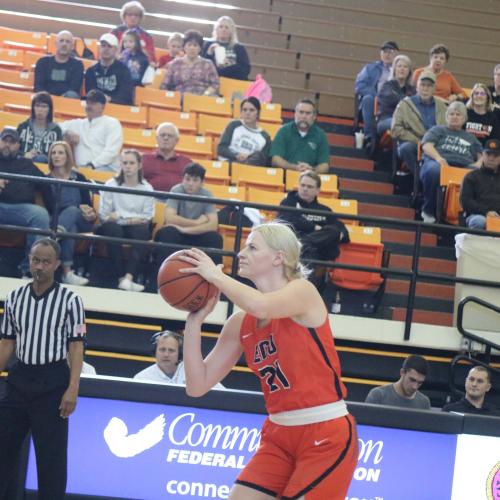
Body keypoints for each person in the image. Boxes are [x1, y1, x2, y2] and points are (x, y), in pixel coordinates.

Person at [179, 222, 358, 498]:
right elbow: (196, 385)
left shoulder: (303, 292)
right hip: (278, 433)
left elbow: (261, 305)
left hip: (326, 433)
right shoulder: (239, 323)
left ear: (279, 257)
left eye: (252, 247)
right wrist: (194, 321)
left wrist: (216, 277)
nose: (241, 253)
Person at [0, 238, 86, 500]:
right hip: (20, 377)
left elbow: (76, 348)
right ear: (29, 259)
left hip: (53, 382)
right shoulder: (15, 297)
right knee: (3, 452)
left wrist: (73, 388)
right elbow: (6, 343)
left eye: (46, 261)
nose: (40, 266)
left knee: (51, 460)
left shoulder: (71, 300)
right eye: (35, 259)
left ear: (57, 264)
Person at [95, 149, 154, 292]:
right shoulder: (111, 184)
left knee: (142, 231)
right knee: (112, 228)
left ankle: (128, 277)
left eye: (132, 163)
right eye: (125, 163)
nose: (128, 166)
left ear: (139, 165)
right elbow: (104, 214)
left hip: (135, 226)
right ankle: (122, 277)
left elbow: (148, 216)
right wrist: (119, 218)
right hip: (114, 226)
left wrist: (128, 219)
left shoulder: (147, 188)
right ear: (120, 164)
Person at [153, 163, 223, 280]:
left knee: (215, 238)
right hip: (177, 233)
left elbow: (212, 225)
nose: (190, 183)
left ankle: (214, 282)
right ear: (183, 179)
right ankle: (160, 279)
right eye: (187, 179)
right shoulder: (176, 190)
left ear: (202, 182)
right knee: (167, 233)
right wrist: (196, 222)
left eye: (195, 180)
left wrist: (185, 229)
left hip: (195, 234)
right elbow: (170, 218)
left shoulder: (207, 194)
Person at [0, 127, 52, 278]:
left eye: (12, 142)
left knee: (40, 214)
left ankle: (30, 270)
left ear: (18, 146)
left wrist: (56, 213)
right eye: (4, 141)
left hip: (21, 210)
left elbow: (46, 184)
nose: (8, 145)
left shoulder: (26, 164)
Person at [420, 101, 482, 222]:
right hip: (439, 163)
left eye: (458, 114)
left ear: (464, 119)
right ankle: (429, 211)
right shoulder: (438, 130)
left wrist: (477, 164)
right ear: (447, 116)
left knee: (476, 175)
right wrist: (439, 158)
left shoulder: (470, 137)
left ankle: (465, 216)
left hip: (463, 167)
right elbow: (426, 146)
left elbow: (482, 156)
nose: (454, 116)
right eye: (451, 114)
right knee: (434, 171)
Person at [46, 141, 96, 286]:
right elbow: (50, 208)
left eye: (60, 153)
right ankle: (68, 273)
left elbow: (88, 205)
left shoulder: (79, 177)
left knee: (73, 211)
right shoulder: (46, 180)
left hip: (81, 220)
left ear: (68, 156)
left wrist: (90, 213)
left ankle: (52, 240)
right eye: (53, 153)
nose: (56, 156)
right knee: (70, 228)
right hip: (58, 221)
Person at [278, 170, 348, 262]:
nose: (305, 189)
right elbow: (288, 220)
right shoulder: (288, 202)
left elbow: (342, 231)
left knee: (333, 232)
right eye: (302, 185)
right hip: (291, 246)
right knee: (308, 250)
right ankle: (303, 245)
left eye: (309, 187)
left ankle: (303, 244)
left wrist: (339, 234)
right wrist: (315, 227)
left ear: (317, 191)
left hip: (313, 250)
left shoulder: (325, 210)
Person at [391, 70, 447, 176]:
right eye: (422, 85)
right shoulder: (405, 104)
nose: (425, 88)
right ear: (417, 87)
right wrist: (421, 142)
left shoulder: (443, 107)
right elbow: (396, 129)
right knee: (405, 148)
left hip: (437, 145)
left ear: (434, 89)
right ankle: (421, 178)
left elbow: (448, 129)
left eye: (429, 86)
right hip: (414, 143)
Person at [60, 89, 123, 172]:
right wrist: (67, 132)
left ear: (103, 106)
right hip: (82, 170)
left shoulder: (112, 123)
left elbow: (112, 151)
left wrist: (92, 165)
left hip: (106, 168)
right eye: (87, 103)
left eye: (93, 103)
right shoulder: (78, 123)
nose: (89, 106)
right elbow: (55, 126)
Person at [355, 41, 399, 147]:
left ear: (397, 54)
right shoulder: (370, 68)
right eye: (384, 51)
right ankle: (369, 136)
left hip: (394, 102)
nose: (387, 54)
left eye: (391, 52)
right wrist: (377, 95)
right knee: (368, 99)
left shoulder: (401, 69)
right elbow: (360, 86)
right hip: (375, 100)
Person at [270, 99, 330, 173]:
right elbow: (275, 160)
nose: (304, 116)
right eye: (301, 112)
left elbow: (325, 166)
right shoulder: (284, 131)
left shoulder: (320, 135)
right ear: (295, 114)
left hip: (310, 179)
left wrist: (311, 170)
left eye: (308, 113)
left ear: (314, 116)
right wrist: (295, 167)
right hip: (285, 178)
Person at [160, 30, 219, 96]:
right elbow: (164, 85)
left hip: (203, 100)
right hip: (179, 100)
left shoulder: (208, 64)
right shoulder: (175, 64)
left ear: (200, 48)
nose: (192, 48)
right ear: (184, 47)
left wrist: (205, 95)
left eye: (195, 45)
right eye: (189, 45)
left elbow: (215, 84)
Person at [217, 97, 271, 166]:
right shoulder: (234, 125)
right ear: (241, 112)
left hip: (250, 169)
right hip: (231, 163)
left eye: (251, 110)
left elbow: (264, 160)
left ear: (258, 113)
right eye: (244, 110)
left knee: (259, 156)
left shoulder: (265, 136)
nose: (247, 113)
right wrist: (236, 155)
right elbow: (221, 149)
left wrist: (248, 157)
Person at [460, 138, 500, 229]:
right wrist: (486, 212)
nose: (491, 158)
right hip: (478, 215)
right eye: (488, 154)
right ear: (482, 155)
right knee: (479, 221)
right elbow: (466, 201)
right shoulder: (471, 176)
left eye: (496, 155)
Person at [365, 355, 431, 409]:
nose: (415, 387)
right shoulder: (378, 395)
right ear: (402, 372)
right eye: (412, 380)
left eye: (420, 383)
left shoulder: (424, 403)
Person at [85, 33, 134, 105]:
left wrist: (110, 99)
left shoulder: (124, 71)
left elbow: (126, 96)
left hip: (118, 108)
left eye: (110, 46)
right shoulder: (91, 71)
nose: (106, 49)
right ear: (99, 48)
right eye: (103, 46)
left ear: (116, 50)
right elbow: (90, 93)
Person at [142, 122, 192, 193]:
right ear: (157, 138)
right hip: (150, 201)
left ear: (177, 140)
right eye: (162, 135)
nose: (166, 138)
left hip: (178, 202)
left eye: (170, 136)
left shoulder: (187, 163)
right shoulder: (144, 159)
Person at [34, 30, 84, 99]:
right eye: (61, 41)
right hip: (45, 101)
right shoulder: (43, 62)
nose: (64, 44)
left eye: (67, 41)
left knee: (72, 95)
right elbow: (38, 86)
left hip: (66, 101)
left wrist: (58, 100)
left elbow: (74, 89)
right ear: (56, 44)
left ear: (72, 46)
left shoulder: (77, 65)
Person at [16, 91, 63, 163]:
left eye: (44, 106)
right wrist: (24, 154)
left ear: (49, 109)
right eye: (37, 106)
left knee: (41, 158)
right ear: (33, 108)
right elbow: (14, 149)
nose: (40, 109)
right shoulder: (22, 127)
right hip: (24, 163)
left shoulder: (56, 130)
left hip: (47, 166)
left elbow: (60, 154)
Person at [376, 54, 415, 138]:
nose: (402, 69)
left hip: (406, 122)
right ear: (394, 69)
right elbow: (392, 99)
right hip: (386, 120)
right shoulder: (387, 86)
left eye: (405, 67)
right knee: (399, 124)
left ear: (409, 71)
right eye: (399, 66)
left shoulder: (412, 90)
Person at [202, 16, 251, 81]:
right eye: (221, 27)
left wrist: (225, 68)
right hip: (212, 82)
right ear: (216, 29)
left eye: (227, 27)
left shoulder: (239, 48)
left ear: (231, 31)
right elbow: (203, 69)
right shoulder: (208, 44)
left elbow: (245, 70)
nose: (223, 29)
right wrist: (209, 53)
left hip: (233, 83)